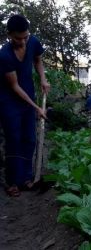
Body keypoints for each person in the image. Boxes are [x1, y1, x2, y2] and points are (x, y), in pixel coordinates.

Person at [0, 15, 49, 197]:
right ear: (10, 35)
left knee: (29, 137)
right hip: (9, 101)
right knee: (14, 138)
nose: (22, 42)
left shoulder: (33, 41)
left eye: (25, 37)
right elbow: (14, 86)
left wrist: (43, 79)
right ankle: (13, 181)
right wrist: (36, 107)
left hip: (29, 97)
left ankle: (27, 178)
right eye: (17, 38)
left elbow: (38, 60)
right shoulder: (5, 55)